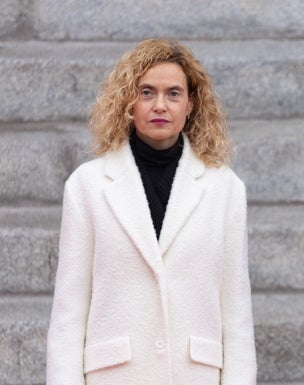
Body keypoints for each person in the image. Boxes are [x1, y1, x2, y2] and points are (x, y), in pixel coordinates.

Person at [46, 39, 256, 385]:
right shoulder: (87, 185)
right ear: (128, 101)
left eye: (173, 93)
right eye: (146, 92)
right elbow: (69, 313)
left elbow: (236, 313)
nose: (160, 104)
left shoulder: (225, 188)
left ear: (191, 104)